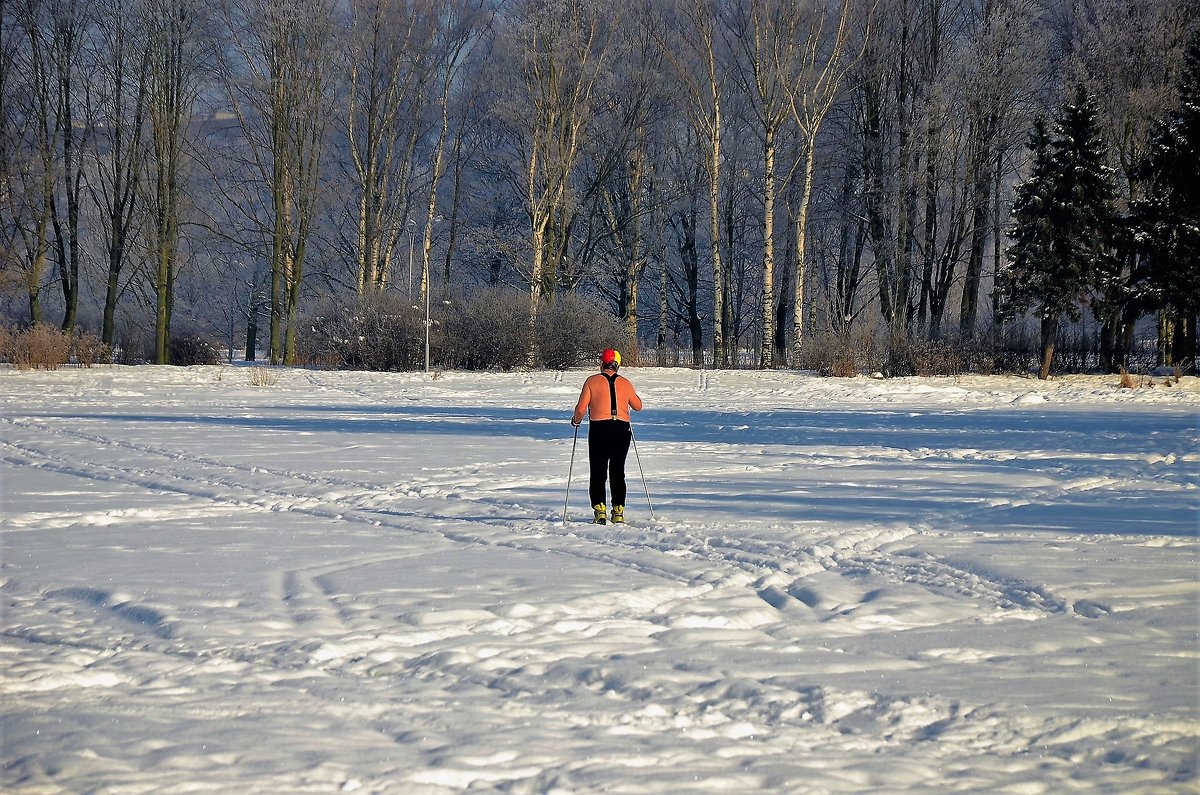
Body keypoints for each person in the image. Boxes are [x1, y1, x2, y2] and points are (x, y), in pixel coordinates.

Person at [571, 348, 643, 525]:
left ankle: (600, 510)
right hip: (621, 429)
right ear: (617, 365)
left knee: (598, 471)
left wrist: (576, 421)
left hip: (599, 429)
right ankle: (618, 511)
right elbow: (638, 405)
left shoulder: (592, 381)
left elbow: (581, 409)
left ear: (601, 363)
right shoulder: (625, 383)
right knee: (618, 471)